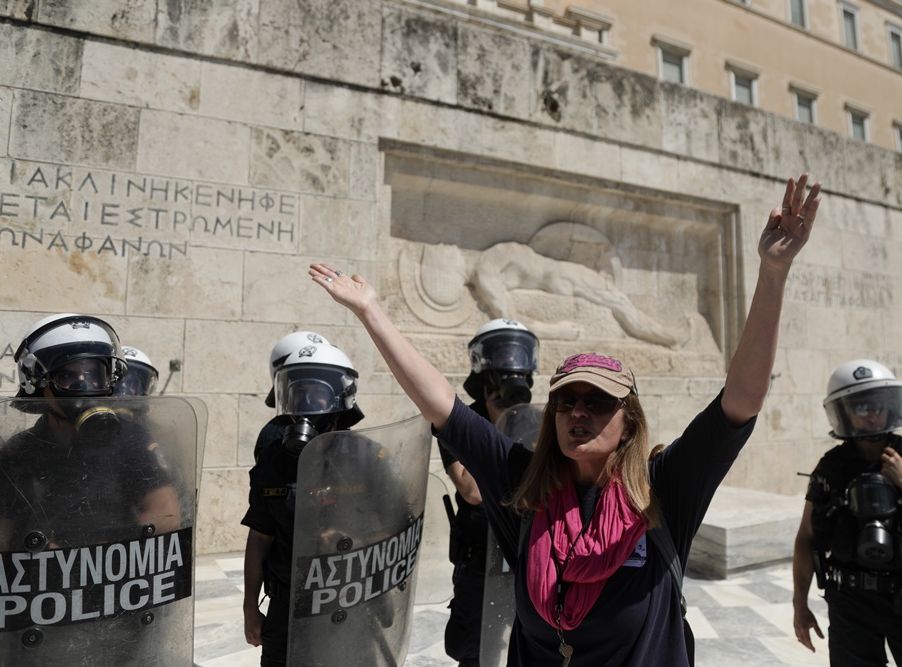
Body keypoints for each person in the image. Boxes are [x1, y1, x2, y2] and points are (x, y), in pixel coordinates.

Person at [309, 173, 822, 666]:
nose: (579, 411)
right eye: (567, 401)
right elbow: (444, 406)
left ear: (629, 422)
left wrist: (772, 274)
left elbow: (741, 402)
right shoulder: (524, 488)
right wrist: (372, 312)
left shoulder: (664, 492)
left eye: (598, 402)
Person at [792, 359, 902, 666]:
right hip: (849, 601)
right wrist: (799, 605)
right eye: (862, 408)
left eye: (879, 406)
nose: (873, 415)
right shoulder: (831, 468)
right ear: (845, 412)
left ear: (891, 406)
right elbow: (805, 537)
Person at [0, 313, 180, 551]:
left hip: (116, 576)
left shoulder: (131, 437)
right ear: (39, 383)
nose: (84, 385)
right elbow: (2, 537)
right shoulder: (20, 450)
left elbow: (167, 515)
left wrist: (93, 553)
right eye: (67, 375)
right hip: (41, 579)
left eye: (92, 375)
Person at [241, 331, 365, 667]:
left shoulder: (368, 459)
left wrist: (348, 539)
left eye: (317, 396)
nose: (306, 407)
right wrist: (250, 607)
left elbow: (399, 527)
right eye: (298, 395)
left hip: (347, 602)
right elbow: (259, 537)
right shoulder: (273, 460)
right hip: (286, 605)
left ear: (339, 401)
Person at [442, 318, 539, 667]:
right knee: (473, 648)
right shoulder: (458, 420)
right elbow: (471, 489)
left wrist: (516, 418)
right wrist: (500, 421)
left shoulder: (539, 421)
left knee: (527, 641)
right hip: (480, 555)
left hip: (525, 550)